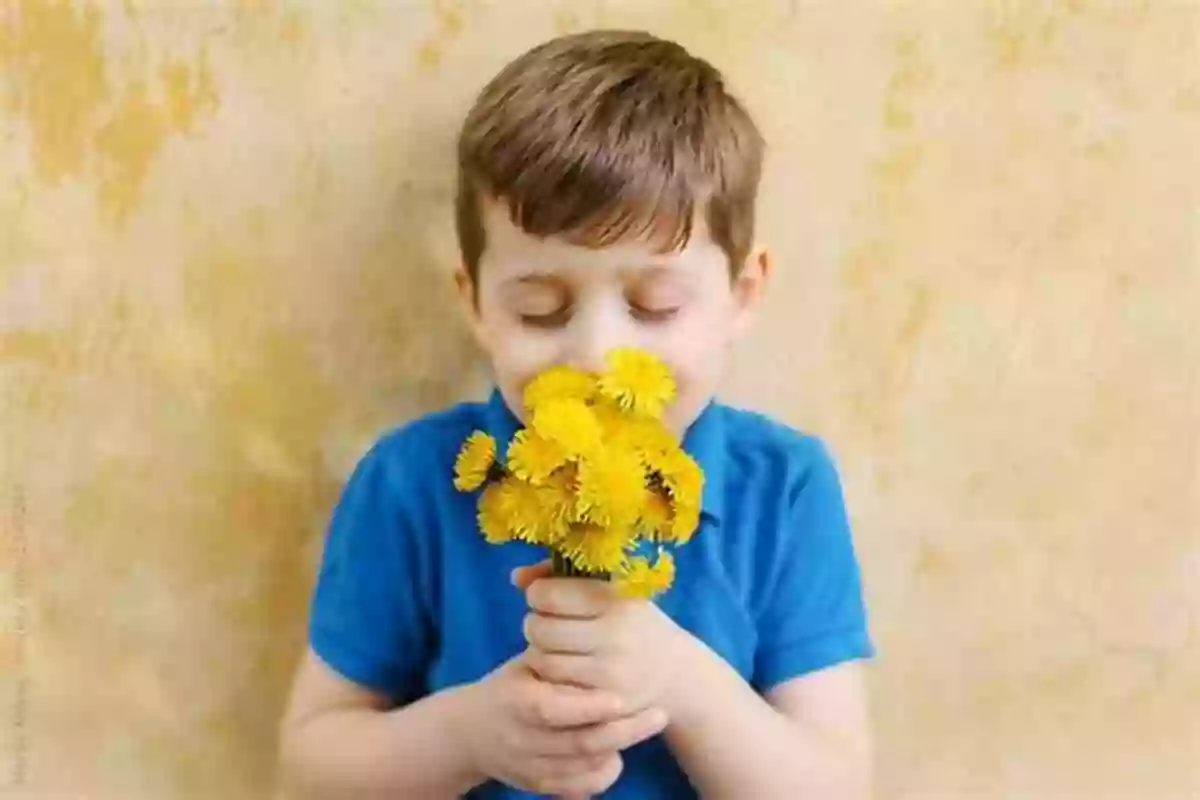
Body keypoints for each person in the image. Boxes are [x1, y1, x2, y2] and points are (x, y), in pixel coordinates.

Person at [278, 29, 875, 799]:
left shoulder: (787, 489)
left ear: (742, 295)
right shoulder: (408, 485)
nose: (596, 354)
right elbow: (311, 770)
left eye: (653, 305)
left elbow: (835, 787)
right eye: (539, 309)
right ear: (475, 303)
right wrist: (467, 733)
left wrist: (684, 684)